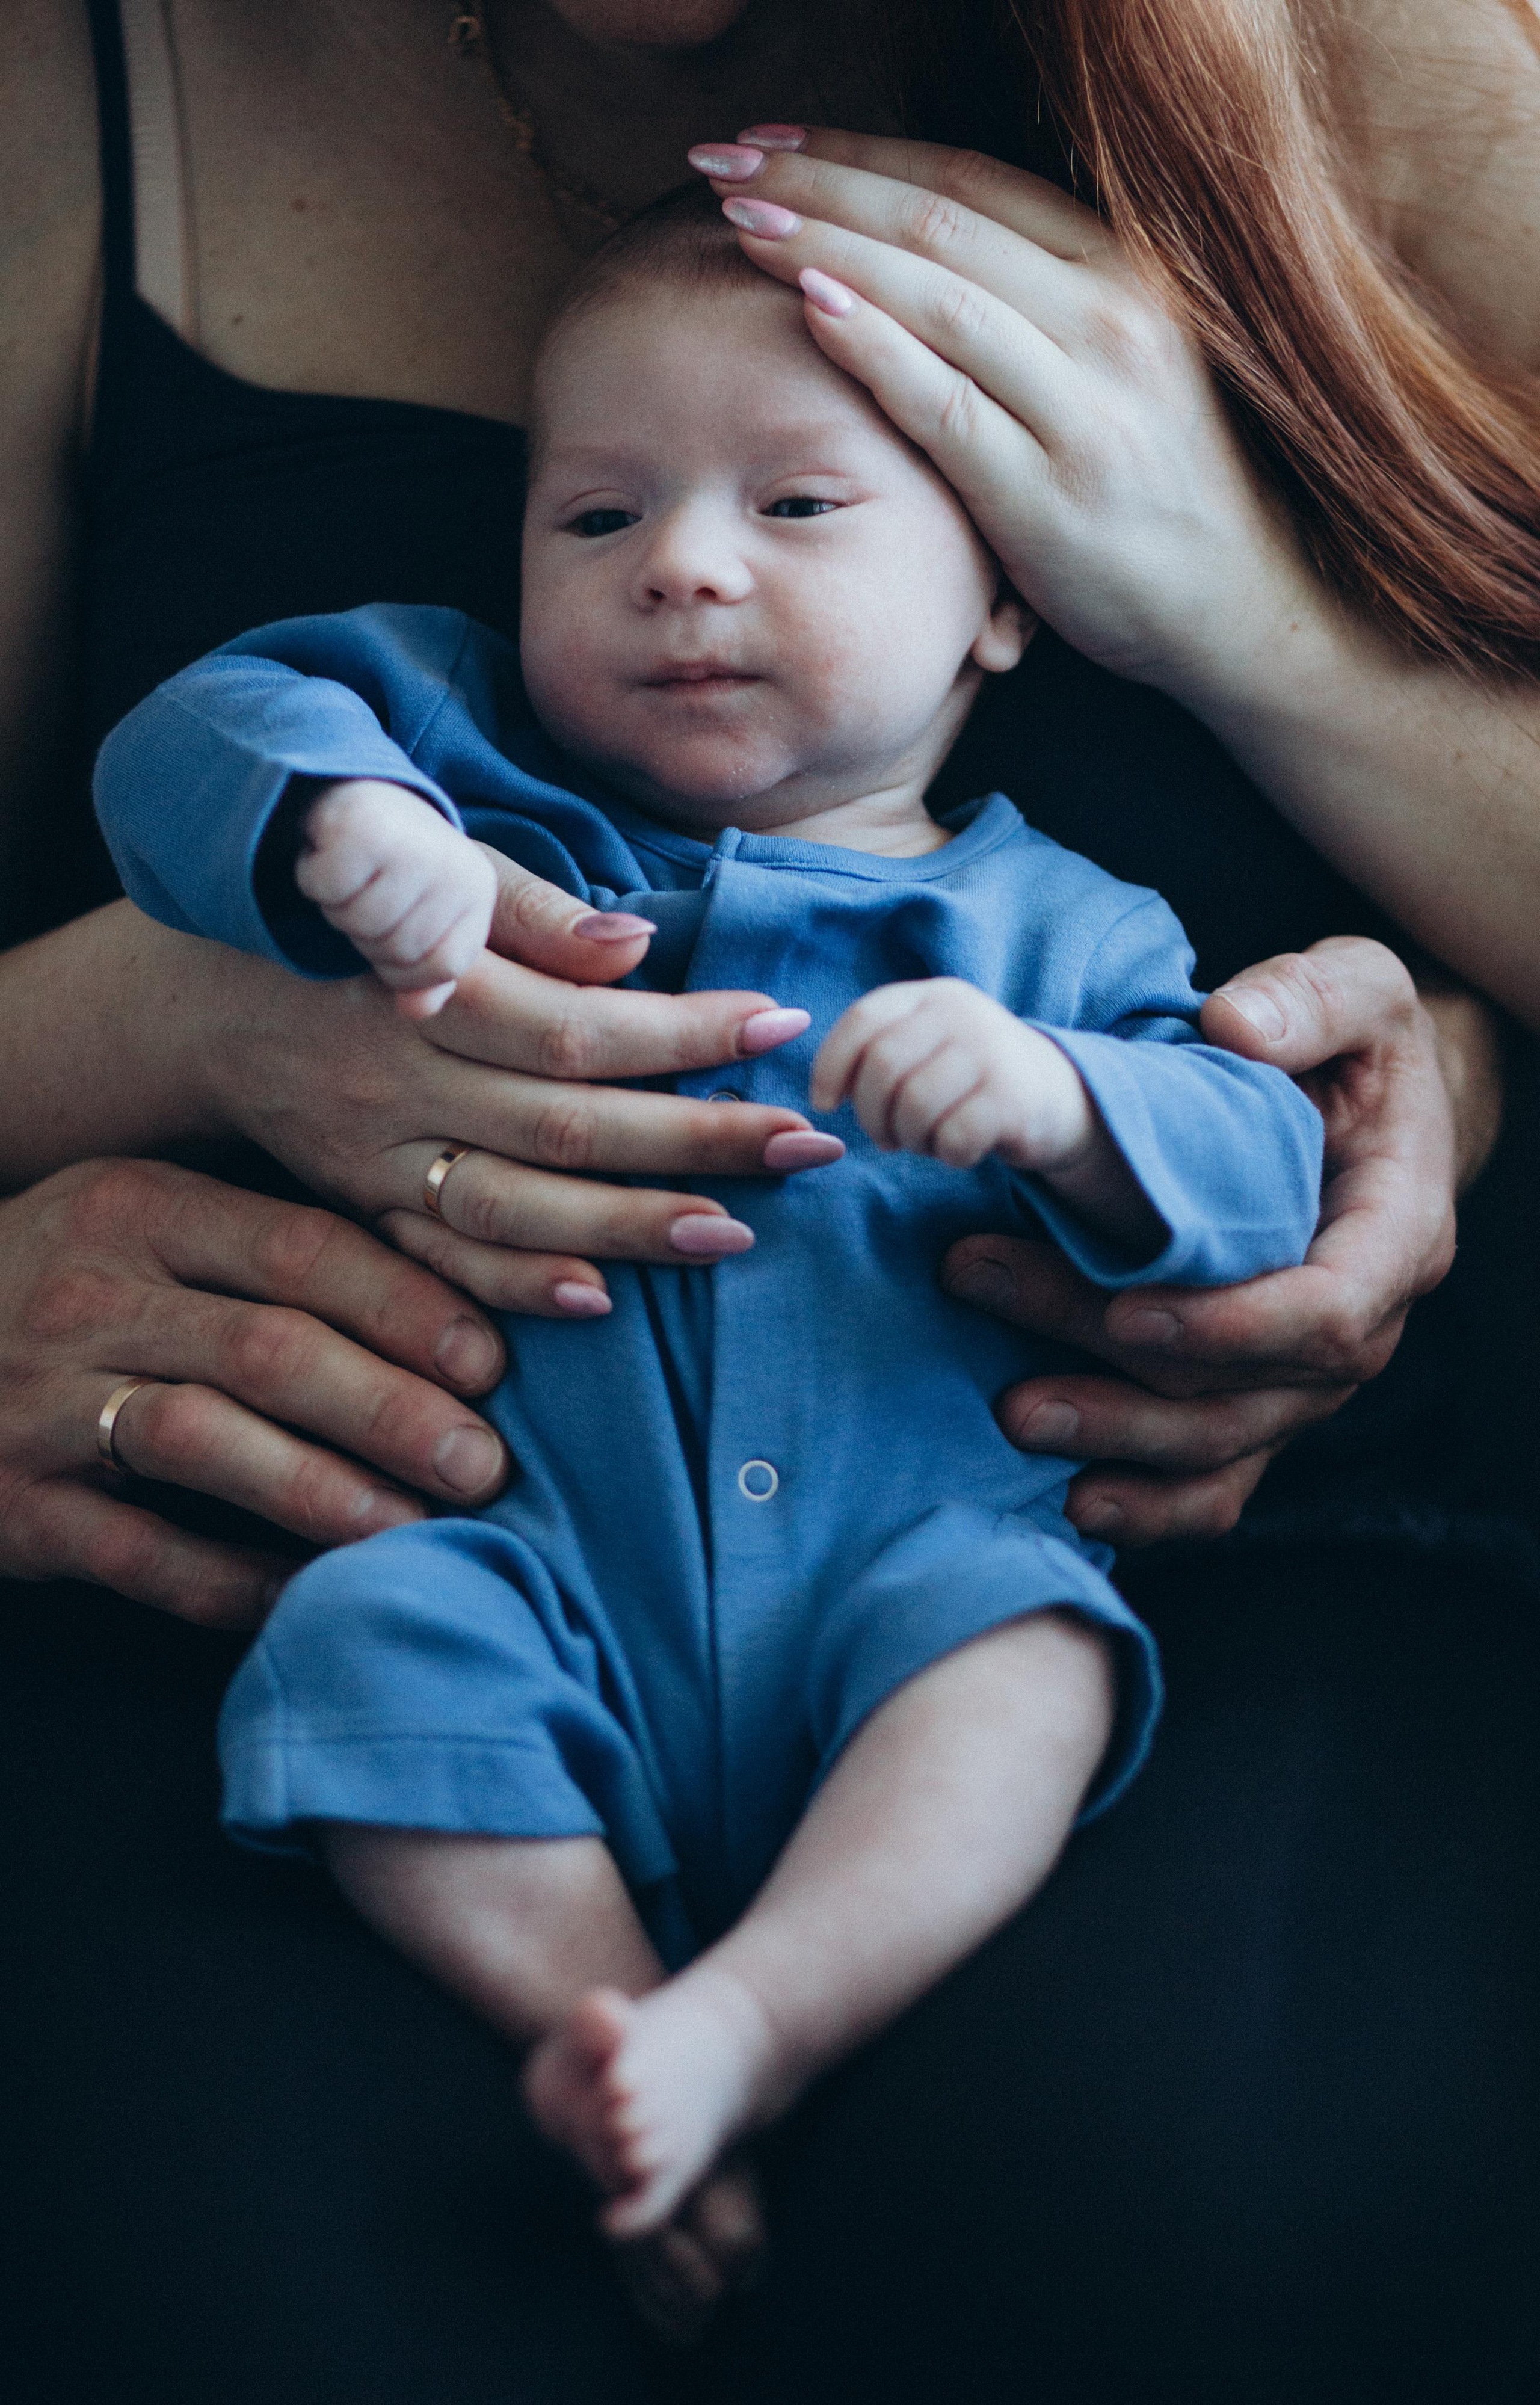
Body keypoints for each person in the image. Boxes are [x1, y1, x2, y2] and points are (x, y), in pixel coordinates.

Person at [0, 3, 1531, 2400]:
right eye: (593, 516)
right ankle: (619, 2026)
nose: (682, 574)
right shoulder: (460, 742)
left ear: (995, 602)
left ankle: (739, 2013)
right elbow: (234, 727)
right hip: (410, 1532)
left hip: (1071, 1563)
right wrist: (269, 918)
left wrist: (1258, 666)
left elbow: (1218, 1133)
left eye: (798, 510)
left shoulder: (1046, 924)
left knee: (1149, 2195)